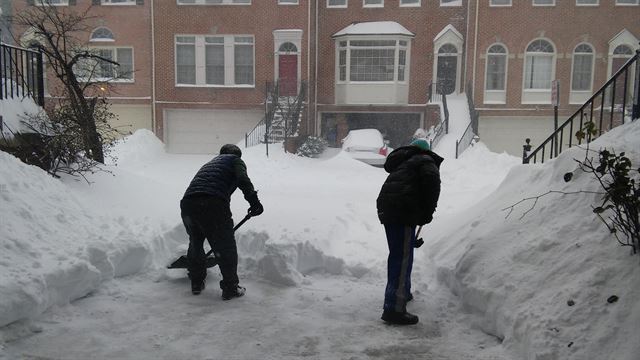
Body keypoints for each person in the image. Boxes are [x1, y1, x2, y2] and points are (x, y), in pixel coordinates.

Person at [180, 144, 263, 300]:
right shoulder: (235, 160)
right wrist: (254, 202)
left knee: (196, 242)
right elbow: (242, 179)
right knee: (225, 247)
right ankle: (230, 287)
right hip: (213, 203)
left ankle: (196, 282)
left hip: (188, 204)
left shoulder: (210, 163)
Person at [376, 138, 443, 325]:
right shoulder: (425, 161)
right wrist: (427, 213)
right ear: (425, 151)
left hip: (389, 210)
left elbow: (406, 188)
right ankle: (394, 309)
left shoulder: (405, 162)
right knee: (401, 258)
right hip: (402, 211)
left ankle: (402, 293)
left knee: (400, 253)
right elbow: (431, 187)